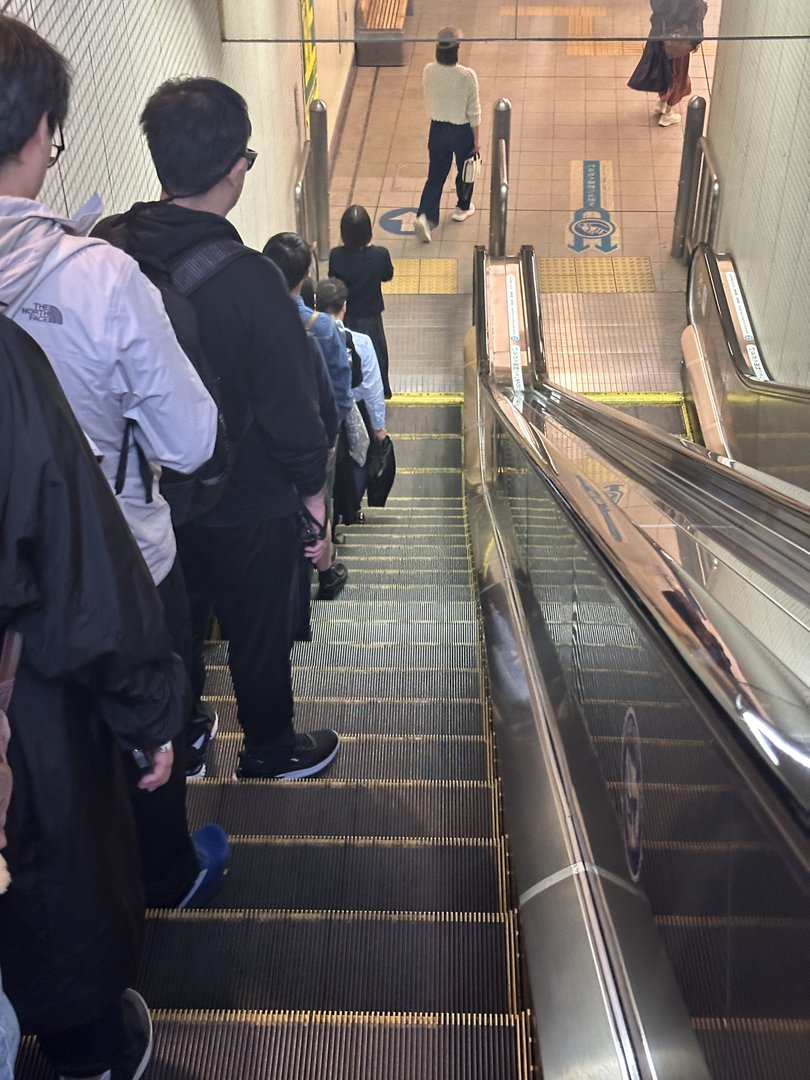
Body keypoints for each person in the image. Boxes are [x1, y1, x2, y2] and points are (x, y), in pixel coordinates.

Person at [0, 13, 227, 913]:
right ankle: (166, 875)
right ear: (43, 134)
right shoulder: (100, 278)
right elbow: (192, 439)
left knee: (44, 771)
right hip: (118, 566)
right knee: (147, 723)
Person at [98, 78, 339, 780]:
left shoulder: (106, 247)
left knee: (174, 623)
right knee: (257, 631)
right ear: (234, 170)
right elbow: (296, 408)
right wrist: (314, 501)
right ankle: (268, 748)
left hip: (146, 493)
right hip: (246, 495)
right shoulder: (253, 280)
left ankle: (185, 735)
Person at [0, 312, 190, 1080]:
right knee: (49, 862)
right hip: (25, 701)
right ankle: (91, 1055)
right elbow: (77, 556)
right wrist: (149, 713)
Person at [263, 231, 353, 598]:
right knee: (319, 496)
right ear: (305, 278)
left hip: (267, 435)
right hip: (315, 433)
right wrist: (332, 436)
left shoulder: (254, 318)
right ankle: (326, 572)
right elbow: (338, 389)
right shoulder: (323, 328)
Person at [315, 277, 388, 524]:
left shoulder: (306, 337)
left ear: (315, 304)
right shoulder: (361, 342)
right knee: (357, 459)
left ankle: (324, 520)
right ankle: (351, 510)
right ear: (344, 306)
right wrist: (378, 425)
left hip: (318, 412)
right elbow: (372, 388)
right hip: (354, 411)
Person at [414, 26, 481, 244]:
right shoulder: (467, 76)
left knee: (435, 175)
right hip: (461, 130)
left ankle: (425, 217)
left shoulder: (428, 71)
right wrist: (476, 141)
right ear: (457, 50)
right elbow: (474, 112)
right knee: (465, 170)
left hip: (437, 129)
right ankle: (462, 207)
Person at [328, 205, 394, 398]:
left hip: (348, 314)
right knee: (377, 352)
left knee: (349, 351)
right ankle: (383, 389)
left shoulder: (336, 256)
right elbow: (387, 275)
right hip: (372, 314)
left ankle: (353, 390)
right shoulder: (380, 255)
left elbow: (334, 280)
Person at [628, 1, 707, 127]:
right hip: (677, 41)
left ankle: (663, 102)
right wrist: (696, 41)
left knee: (664, 69)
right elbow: (696, 23)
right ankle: (668, 113)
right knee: (678, 76)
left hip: (659, 35)